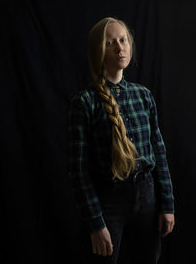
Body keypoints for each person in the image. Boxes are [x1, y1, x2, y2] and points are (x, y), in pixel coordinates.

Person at [68, 17, 175, 264]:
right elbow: (78, 171)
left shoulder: (143, 96)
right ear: (98, 51)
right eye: (109, 43)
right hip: (108, 203)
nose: (119, 48)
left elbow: (159, 152)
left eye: (123, 40)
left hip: (147, 198)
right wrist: (95, 222)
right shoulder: (85, 102)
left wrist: (167, 203)